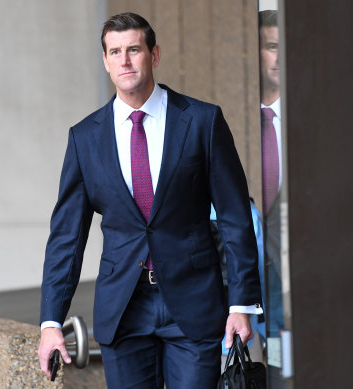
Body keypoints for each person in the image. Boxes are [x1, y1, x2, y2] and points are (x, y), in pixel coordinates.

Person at [37, 12, 263, 388]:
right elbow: (66, 239)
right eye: (115, 52)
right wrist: (50, 322)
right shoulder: (84, 139)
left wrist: (241, 306)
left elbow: (235, 216)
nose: (125, 60)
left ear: (153, 55)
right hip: (123, 307)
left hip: (193, 304)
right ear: (106, 61)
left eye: (134, 49)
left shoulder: (202, 121)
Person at [258, 9, 285, 337]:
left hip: (289, 272)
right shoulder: (227, 118)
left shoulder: (305, 118)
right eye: (273, 46)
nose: (281, 57)